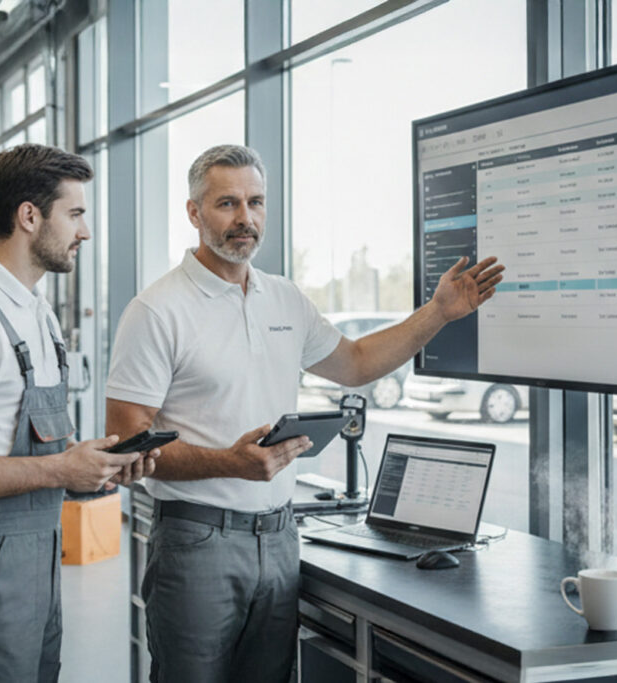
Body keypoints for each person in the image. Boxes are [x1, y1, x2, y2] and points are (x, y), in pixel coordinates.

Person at [105, 144, 504, 682]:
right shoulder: (156, 310)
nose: (245, 218)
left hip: (280, 536)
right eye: (227, 204)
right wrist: (230, 462)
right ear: (194, 213)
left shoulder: (285, 299)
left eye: (256, 202)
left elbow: (357, 363)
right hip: (196, 542)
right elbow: (129, 440)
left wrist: (437, 314)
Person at [0, 143, 159, 683]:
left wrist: (89, 467)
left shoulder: (37, 313)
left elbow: (23, 443)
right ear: (28, 216)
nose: (84, 232)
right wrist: (59, 471)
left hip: (39, 553)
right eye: (75, 214)